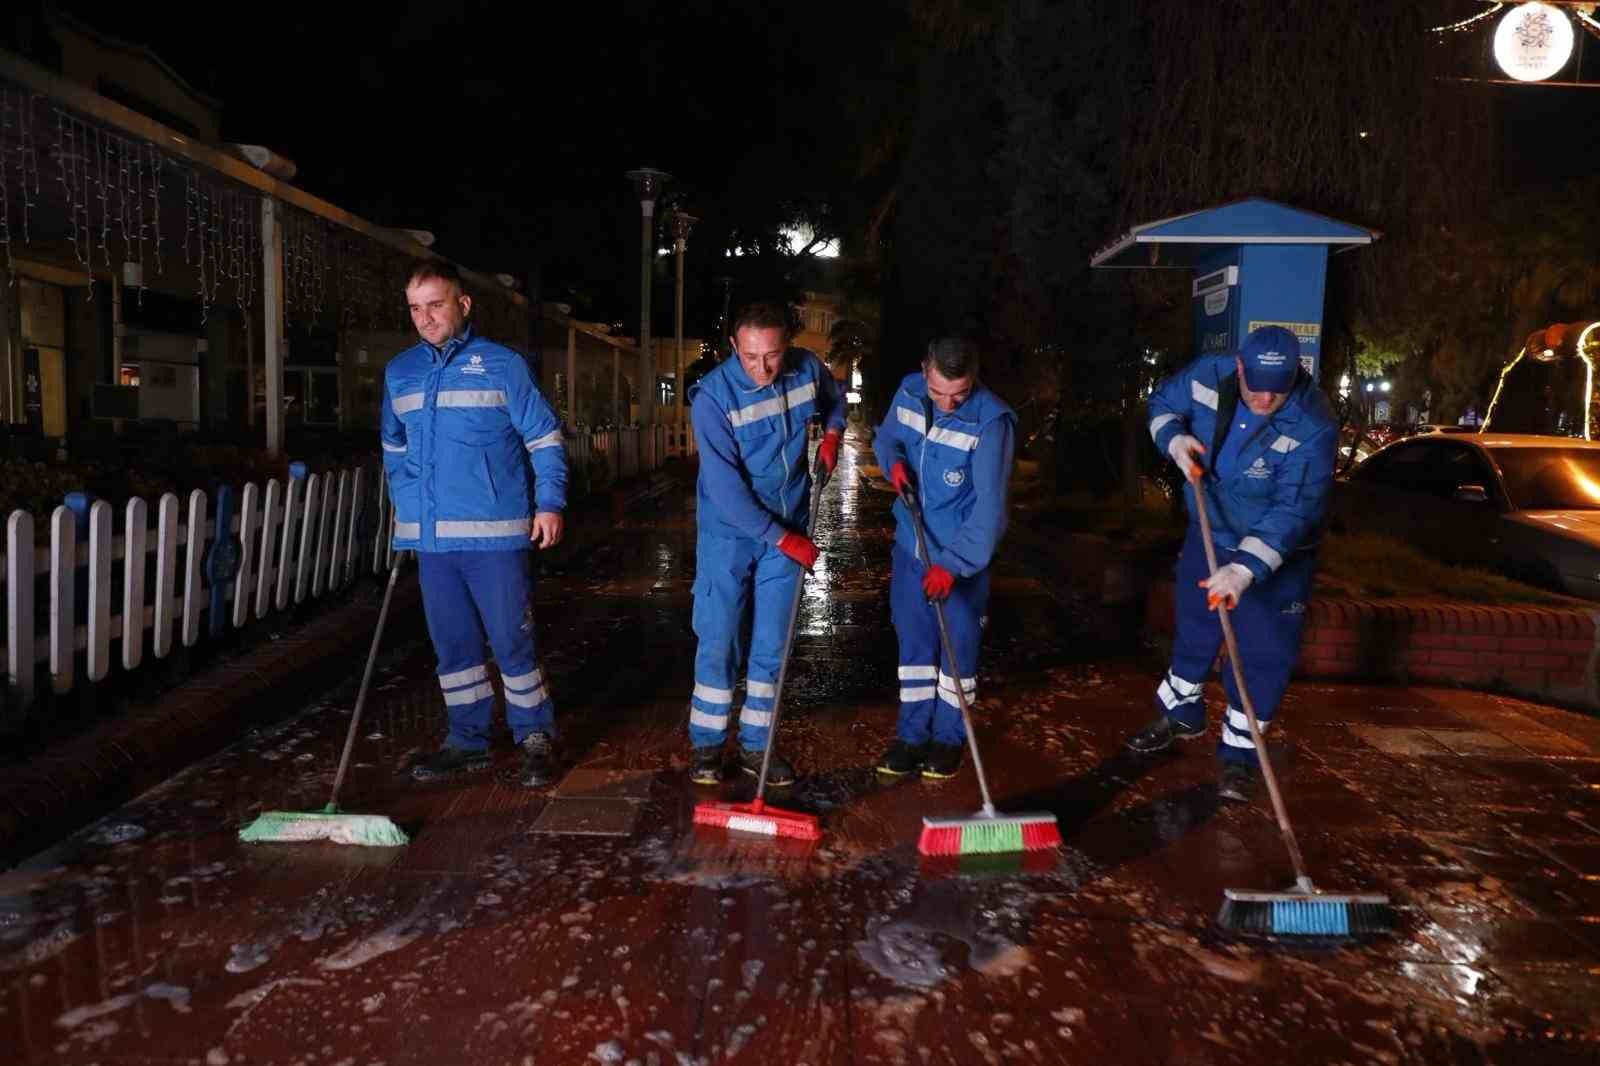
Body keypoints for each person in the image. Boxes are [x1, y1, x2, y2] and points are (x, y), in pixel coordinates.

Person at [380, 261, 567, 787]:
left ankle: (534, 734)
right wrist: (408, 510)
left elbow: (544, 439)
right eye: (415, 308)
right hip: (434, 542)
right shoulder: (399, 371)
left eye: (435, 305)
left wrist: (550, 504)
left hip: (496, 537)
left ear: (463, 305)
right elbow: (394, 448)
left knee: (511, 639)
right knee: (454, 647)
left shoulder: (503, 366)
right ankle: (467, 741)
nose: (425, 318)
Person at [1129, 325, 1336, 801]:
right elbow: (1161, 405)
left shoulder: (1314, 422)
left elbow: (1294, 510)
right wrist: (1174, 441)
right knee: (1196, 626)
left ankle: (1240, 752)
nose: (1264, 399)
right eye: (1256, 387)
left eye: (1277, 390)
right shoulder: (1208, 375)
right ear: (1239, 368)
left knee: (1264, 650)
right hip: (1211, 528)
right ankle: (1181, 712)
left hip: (1278, 554)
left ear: (1295, 375)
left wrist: (1244, 570)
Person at [686, 301, 846, 785]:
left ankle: (758, 747)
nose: (763, 368)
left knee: (772, 645)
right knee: (719, 640)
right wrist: (783, 540)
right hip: (730, 536)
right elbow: (725, 491)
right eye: (751, 356)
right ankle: (708, 746)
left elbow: (835, 399)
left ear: (788, 345)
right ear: (734, 345)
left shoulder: (806, 369)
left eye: (773, 355)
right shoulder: (713, 399)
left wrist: (833, 431)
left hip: (790, 519)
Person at [872, 338, 1015, 780]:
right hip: (911, 546)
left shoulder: (991, 421)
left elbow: (991, 510)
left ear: (974, 377)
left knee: (957, 651)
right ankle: (911, 737)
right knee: (914, 646)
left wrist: (952, 566)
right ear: (924, 370)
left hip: (959, 559)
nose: (948, 404)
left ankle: (948, 738)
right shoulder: (908, 391)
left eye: (959, 393)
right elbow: (888, 439)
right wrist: (893, 463)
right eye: (938, 392)